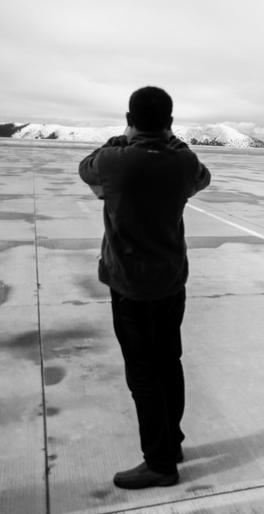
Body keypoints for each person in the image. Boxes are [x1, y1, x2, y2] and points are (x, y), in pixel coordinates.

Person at [78, 86, 211, 490]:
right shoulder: (183, 160)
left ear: (129, 117)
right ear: (170, 122)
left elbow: (86, 169)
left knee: (144, 374)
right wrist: (175, 146)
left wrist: (117, 140)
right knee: (169, 362)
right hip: (171, 280)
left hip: (131, 285)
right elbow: (202, 178)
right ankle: (171, 445)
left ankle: (160, 463)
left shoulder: (113, 160)